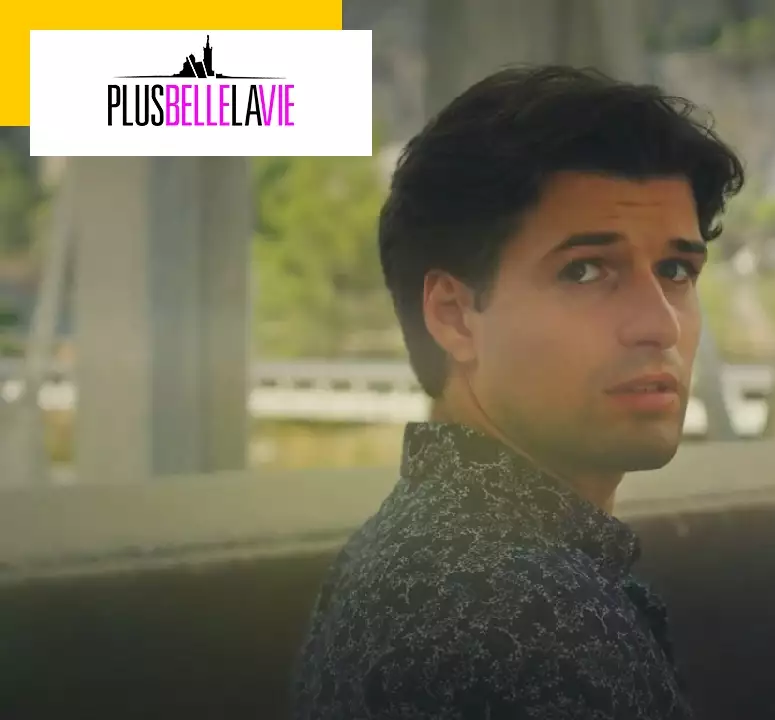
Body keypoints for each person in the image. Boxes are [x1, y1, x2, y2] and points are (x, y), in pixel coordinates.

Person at [292, 65, 744, 719]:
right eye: (585, 271)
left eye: (676, 270)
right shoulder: (517, 615)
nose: (660, 324)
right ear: (453, 316)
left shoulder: (421, 548)